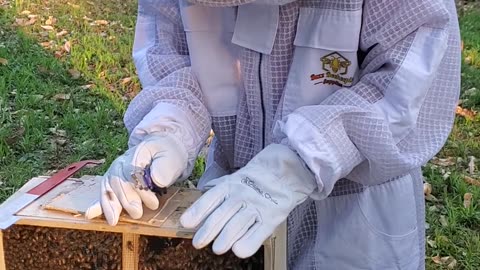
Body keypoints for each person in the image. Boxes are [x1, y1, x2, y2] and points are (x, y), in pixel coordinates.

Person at [85, 0, 461, 269]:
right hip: (231, 196)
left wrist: (297, 163)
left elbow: (407, 83)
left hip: (354, 213)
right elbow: (175, 56)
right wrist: (169, 129)